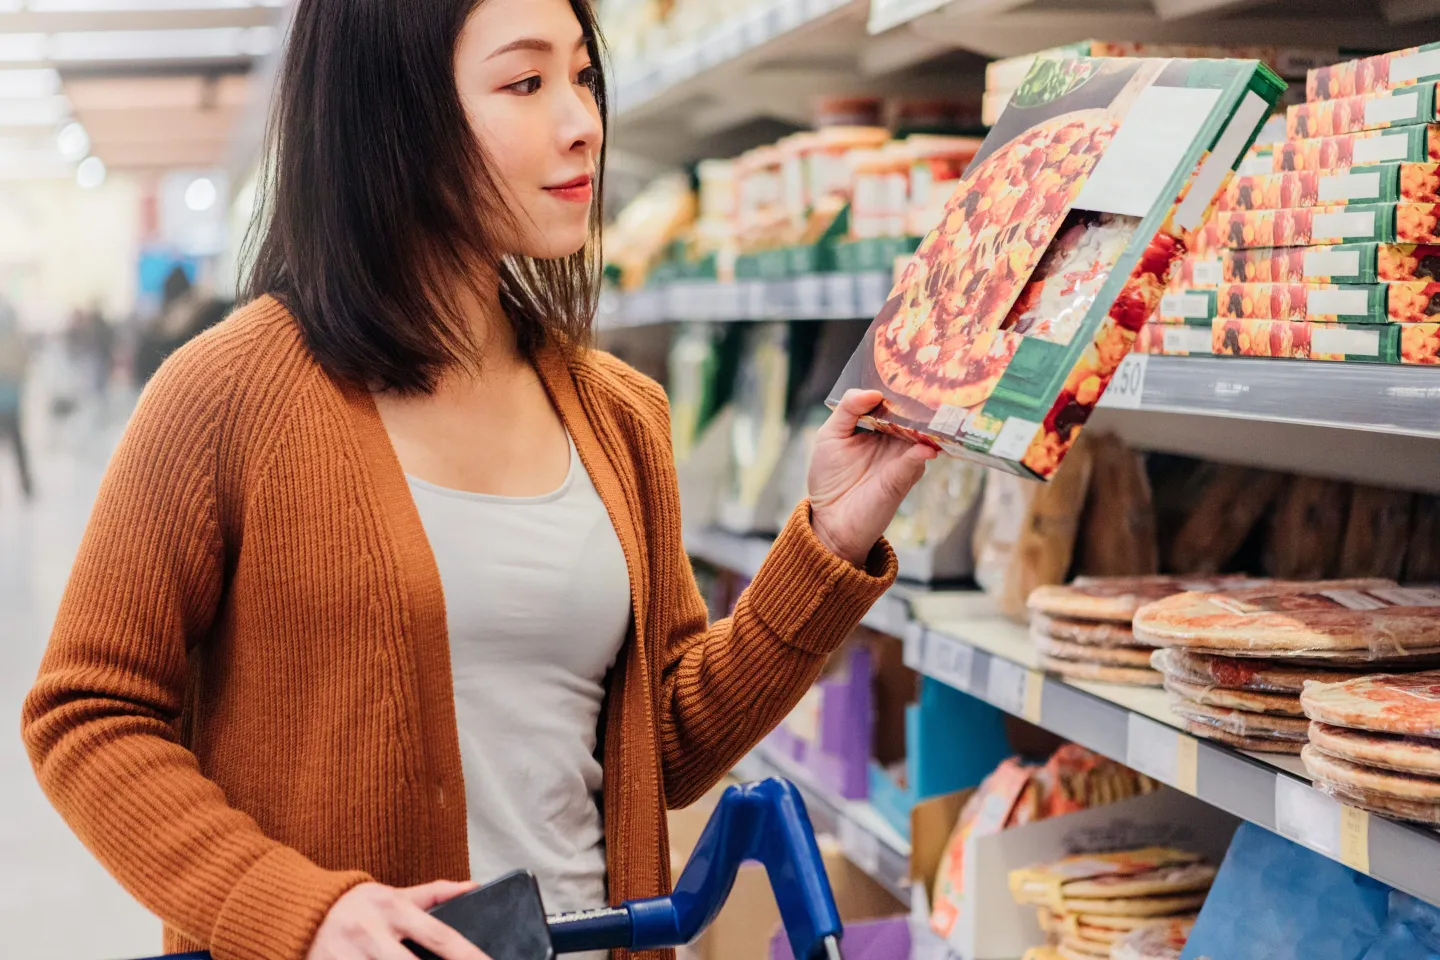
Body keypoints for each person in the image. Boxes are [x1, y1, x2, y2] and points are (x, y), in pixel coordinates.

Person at [20, 2, 937, 960]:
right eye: (525, 82)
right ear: (395, 115)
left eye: (583, 75)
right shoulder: (226, 395)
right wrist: (301, 908)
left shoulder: (620, 415)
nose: (582, 118)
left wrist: (830, 538)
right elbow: (87, 712)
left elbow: (657, 743)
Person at [0, 299, 31, 500]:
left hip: (9, 398)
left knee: (17, 445)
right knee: (18, 445)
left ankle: (27, 484)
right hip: (12, 399)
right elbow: (23, 364)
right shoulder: (16, 339)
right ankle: (26, 485)